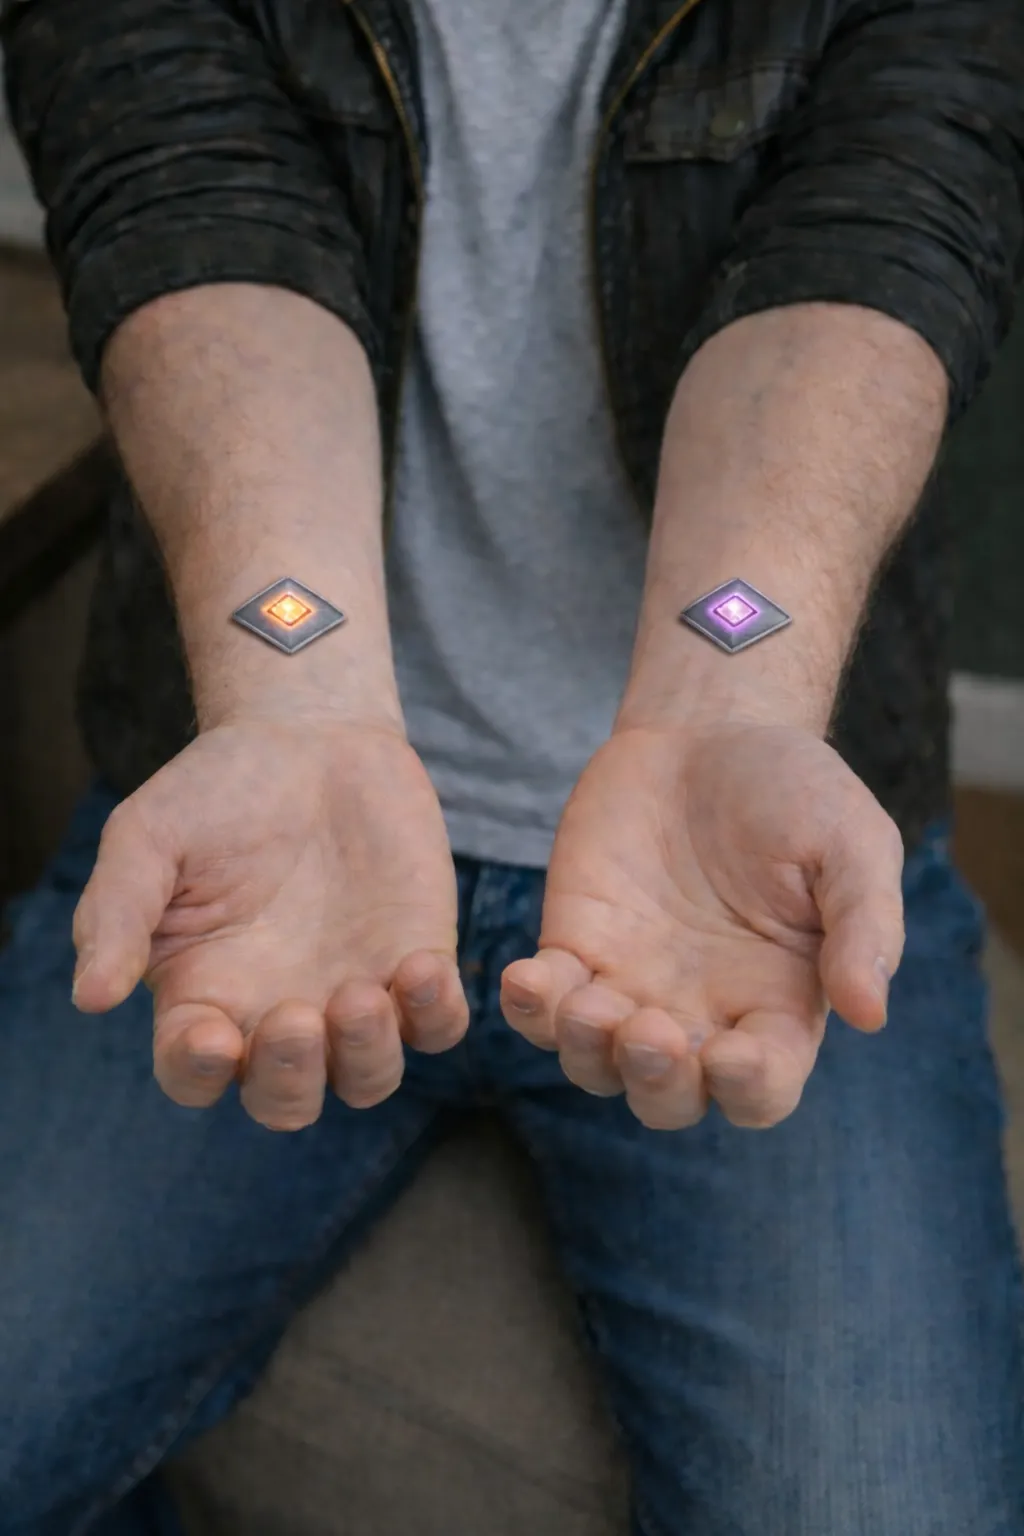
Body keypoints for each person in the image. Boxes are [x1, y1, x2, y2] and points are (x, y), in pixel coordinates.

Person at [2, 0, 1023, 1530]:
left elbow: (879, 238)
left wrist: (725, 695)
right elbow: (191, 211)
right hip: (259, 855)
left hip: (749, 897)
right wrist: (298, 693)